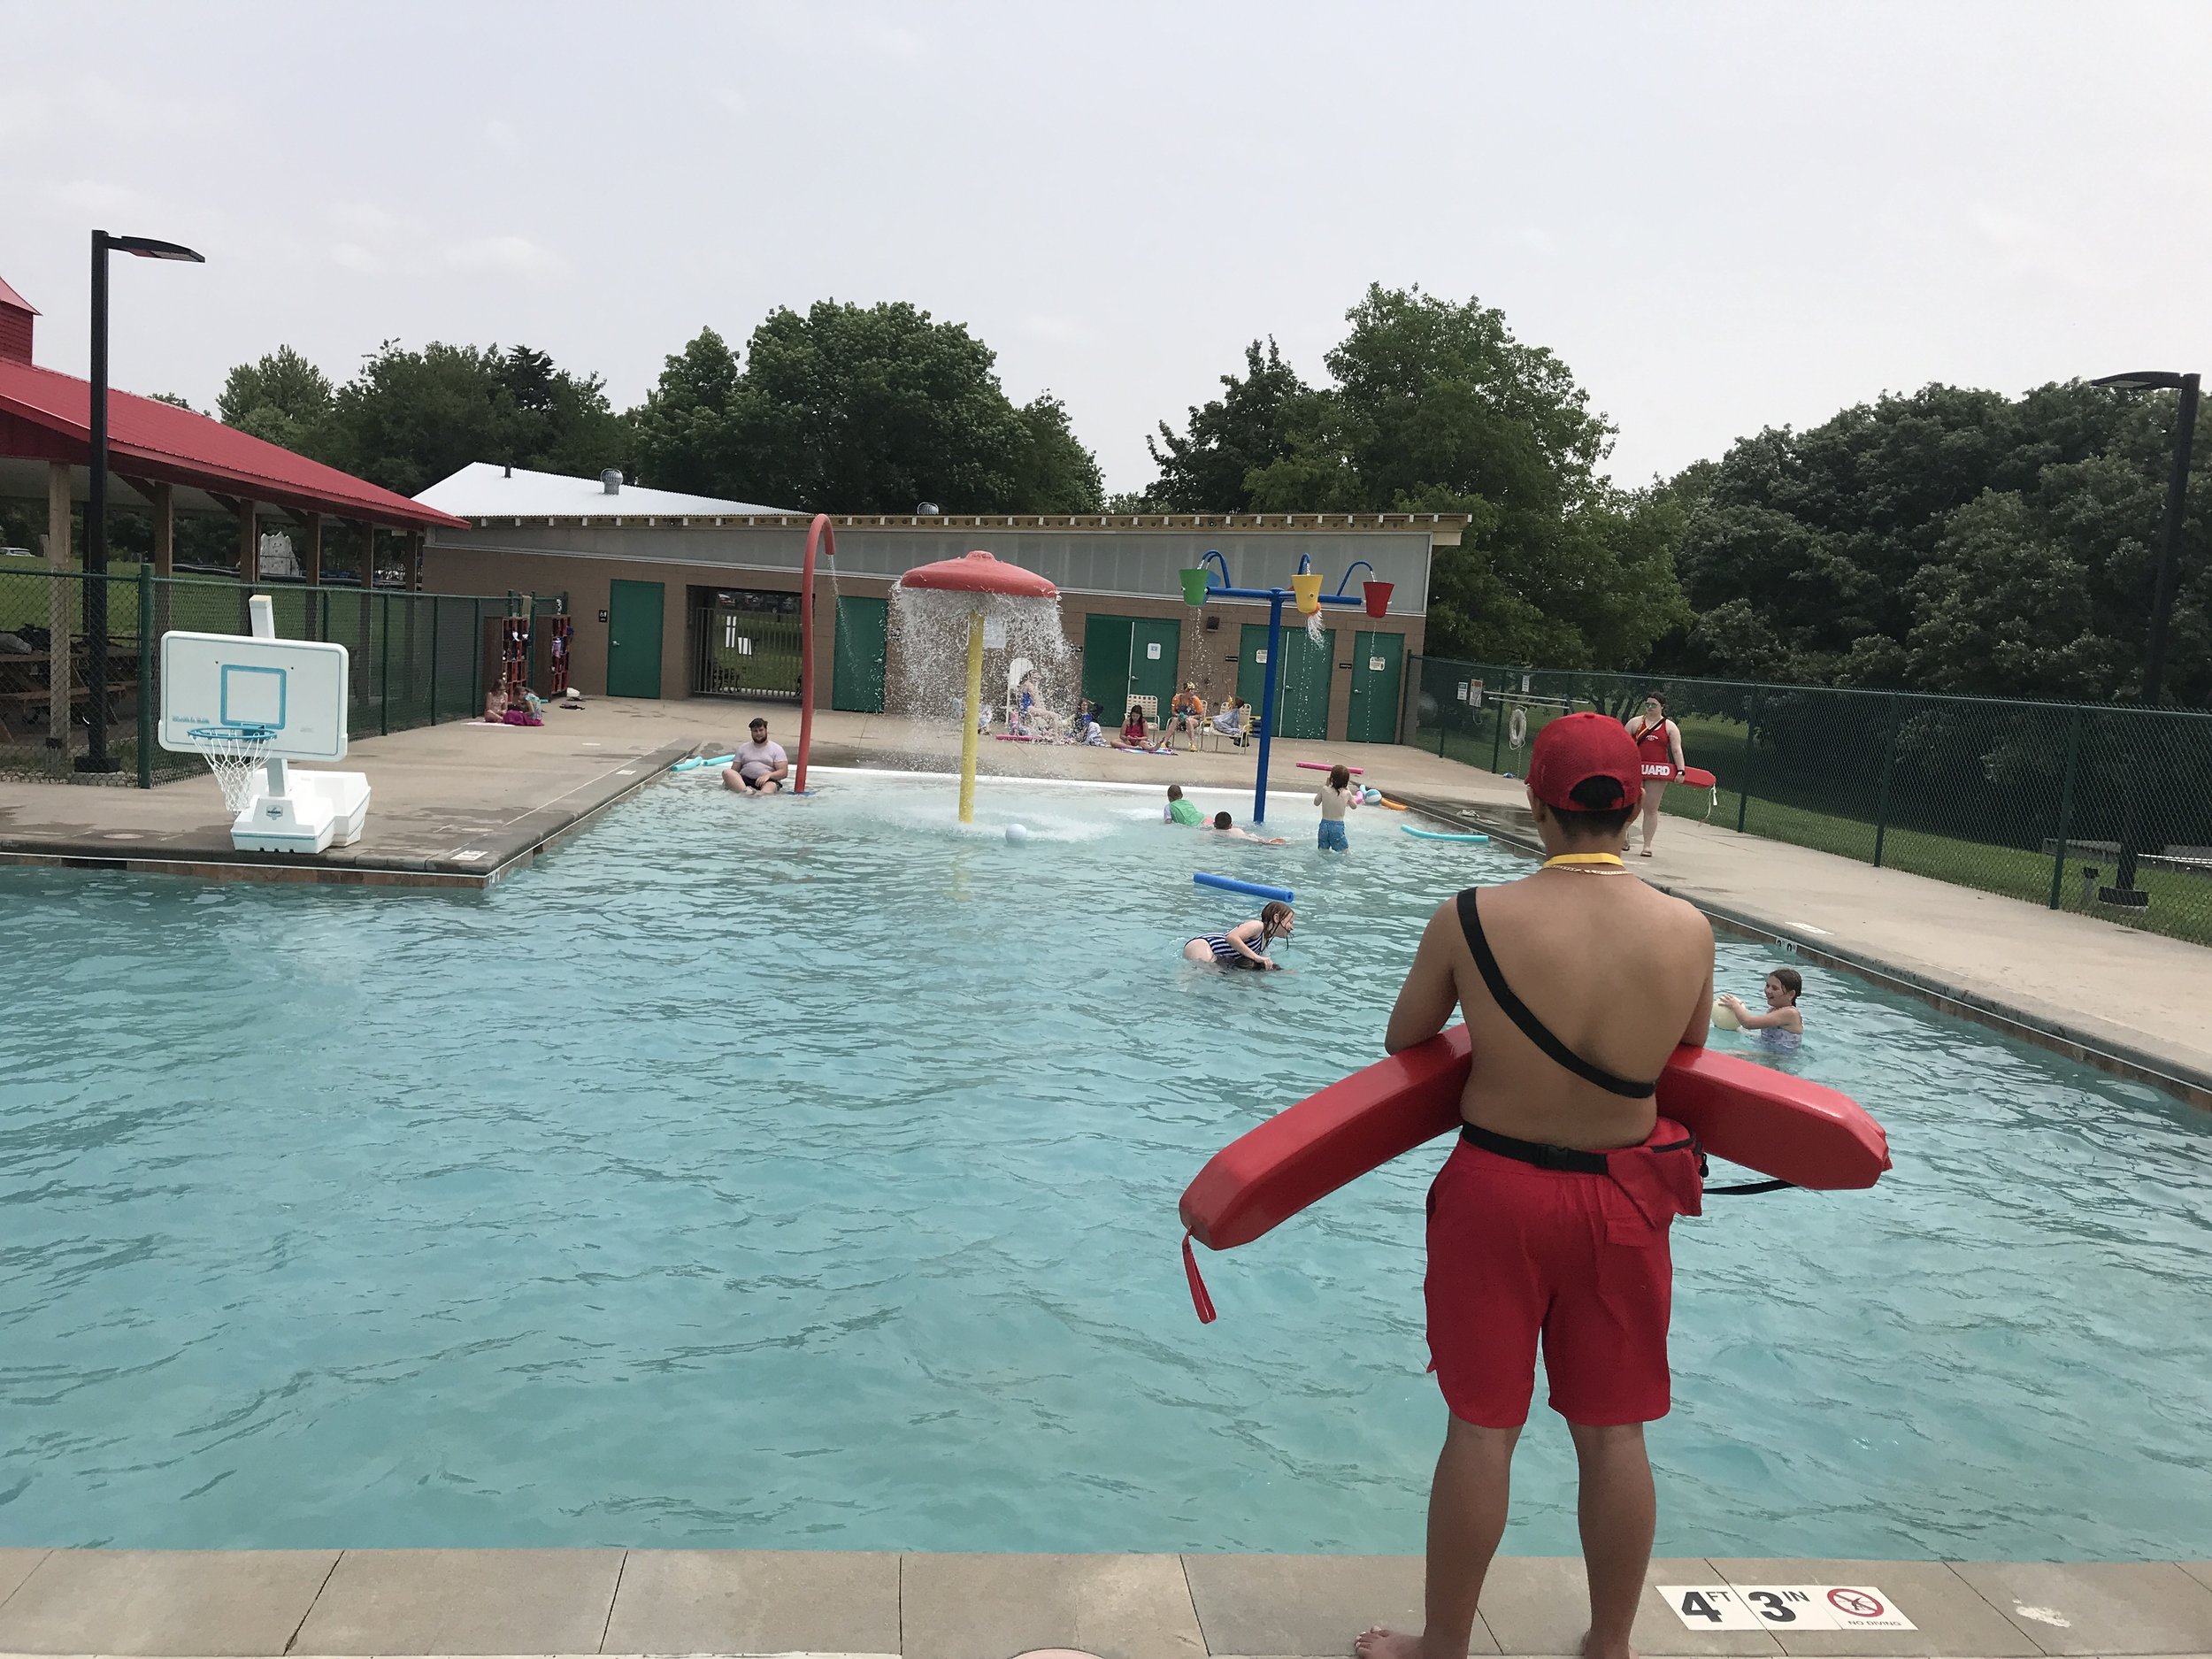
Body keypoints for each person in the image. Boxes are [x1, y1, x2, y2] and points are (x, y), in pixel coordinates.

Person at [1357, 712, 1714, 1659]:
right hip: (1625, 1203)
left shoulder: (1469, 916)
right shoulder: (1688, 931)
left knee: (1480, 1430)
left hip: (1497, 1193)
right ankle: (1606, 1646)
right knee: (1613, 1436)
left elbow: (1405, 1040)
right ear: (1636, 806)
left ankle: (1442, 1645)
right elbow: (1687, 1061)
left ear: (1534, 802)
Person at [1624, 693, 1685, 859]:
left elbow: (1676, 749)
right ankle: (1624, 833)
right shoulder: (1635, 723)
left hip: (1657, 771)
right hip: (1635, 769)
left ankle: (1647, 845)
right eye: (1648, 704)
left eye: (1654, 705)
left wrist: (1681, 770)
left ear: (1662, 707)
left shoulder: (1669, 726)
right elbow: (1622, 744)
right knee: (1629, 804)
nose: (1650, 708)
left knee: (1651, 809)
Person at [1182, 900, 1294, 970]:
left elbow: (1264, 965)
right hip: (1203, 945)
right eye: (1290, 922)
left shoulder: (1264, 943)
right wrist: (1256, 957)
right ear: (1276, 918)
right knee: (1206, 972)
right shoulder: (1257, 926)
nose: (1291, 927)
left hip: (1216, 954)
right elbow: (1231, 937)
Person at [1719, 968, 1804, 1053]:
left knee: (1730, 1053)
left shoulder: (1791, 1013)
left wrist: (1736, 1006)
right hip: (1769, 1050)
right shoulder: (1774, 1010)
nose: (1768, 990)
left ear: (1791, 994)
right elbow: (1767, 1038)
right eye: (1767, 986)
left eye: (1775, 988)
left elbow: (1748, 1023)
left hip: (1780, 1058)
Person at [724, 718, 789, 795]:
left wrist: (768, 776)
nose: (758, 733)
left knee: (771, 786)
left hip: (767, 781)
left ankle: (759, 795)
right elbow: (734, 771)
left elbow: (783, 772)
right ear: (751, 732)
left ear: (766, 730)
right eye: (755, 731)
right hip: (745, 781)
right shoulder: (742, 748)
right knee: (727, 772)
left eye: (761, 730)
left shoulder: (777, 749)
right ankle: (746, 792)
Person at [1315, 762, 1362, 852]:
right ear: (1346, 781)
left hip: (1324, 826)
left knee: (1323, 851)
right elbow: (1354, 806)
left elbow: (1316, 803)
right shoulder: (1346, 793)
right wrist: (1348, 789)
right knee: (1344, 852)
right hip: (1337, 826)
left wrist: (1325, 785)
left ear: (1331, 778)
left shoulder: (1324, 790)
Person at [1206, 810, 1286, 845]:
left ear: (1214, 824)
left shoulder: (1209, 834)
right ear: (1231, 825)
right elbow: (1254, 840)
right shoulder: (1236, 832)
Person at [1166, 683, 1208, 748]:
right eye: (1190, 691)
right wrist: (1179, 715)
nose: (1192, 693)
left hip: (1194, 720)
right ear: (1184, 691)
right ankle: (1165, 741)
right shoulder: (1176, 698)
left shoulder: (1195, 700)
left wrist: (1192, 717)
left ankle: (1192, 744)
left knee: (1188, 720)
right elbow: (1173, 711)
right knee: (1174, 720)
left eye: (1193, 690)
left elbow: (1200, 715)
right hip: (1181, 719)